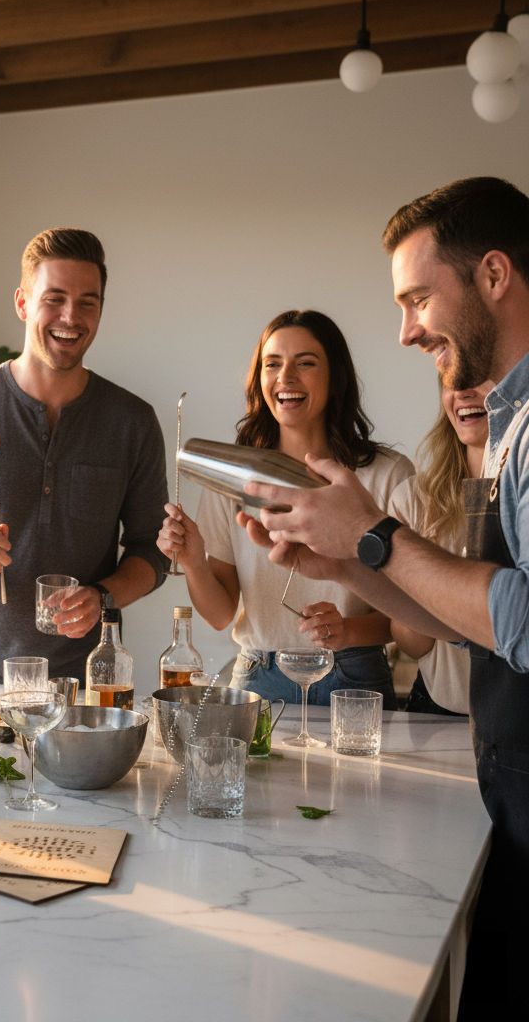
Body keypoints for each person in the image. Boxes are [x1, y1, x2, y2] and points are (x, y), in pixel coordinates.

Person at [237, 177, 529, 1017]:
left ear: (494, 276)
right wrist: (346, 569)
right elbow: (473, 624)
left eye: (417, 299)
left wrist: (373, 534)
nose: (406, 331)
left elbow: (524, 619)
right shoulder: (507, 424)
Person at [0, 227, 169, 683]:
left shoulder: (131, 421)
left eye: (88, 302)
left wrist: (103, 596)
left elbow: (151, 551)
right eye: (54, 298)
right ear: (22, 303)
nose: (70, 316)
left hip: (83, 686)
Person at [157, 309, 412, 706]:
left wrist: (347, 630)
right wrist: (192, 561)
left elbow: (413, 616)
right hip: (259, 677)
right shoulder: (231, 479)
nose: (285, 377)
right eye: (272, 364)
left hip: (353, 675)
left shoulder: (387, 476)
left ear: (335, 378)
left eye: (305, 363)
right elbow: (222, 614)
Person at [388, 380, 492, 716]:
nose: (463, 392)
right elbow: (413, 644)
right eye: (452, 381)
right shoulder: (413, 500)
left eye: (482, 379)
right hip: (436, 709)